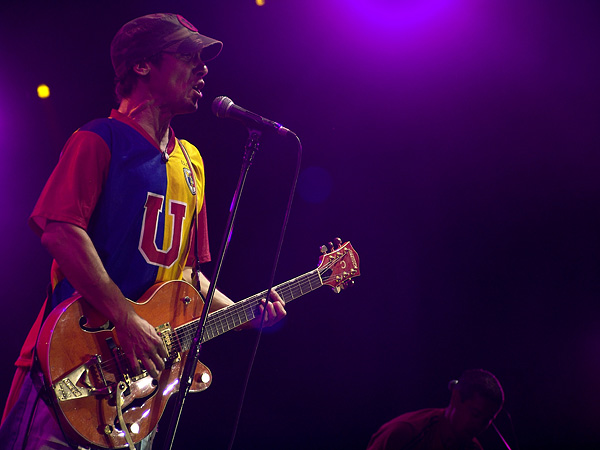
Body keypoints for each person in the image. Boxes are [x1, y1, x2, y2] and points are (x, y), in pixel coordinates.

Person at [0, 12, 286, 450]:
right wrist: (125, 316)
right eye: (189, 56)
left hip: (136, 394)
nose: (203, 68)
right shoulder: (99, 139)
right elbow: (60, 231)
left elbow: (186, 276)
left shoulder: (191, 163)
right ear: (142, 65)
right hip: (70, 367)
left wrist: (247, 314)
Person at [367, 369, 505, 450]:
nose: (478, 426)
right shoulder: (406, 433)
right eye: (475, 414)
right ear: (456, 398)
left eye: (487, 420)